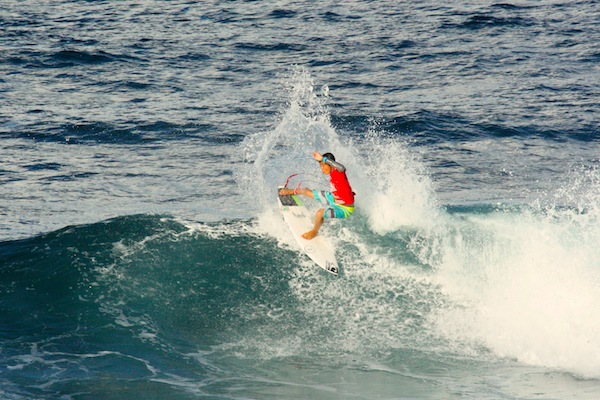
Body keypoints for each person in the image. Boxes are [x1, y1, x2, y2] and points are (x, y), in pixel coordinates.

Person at [279, 151, 355, 240]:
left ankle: (315, 231)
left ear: (330, 164)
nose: (322, 169)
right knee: (306, 191)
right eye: (321, 166)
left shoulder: (338, 172)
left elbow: (341, 167)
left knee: (319, 213)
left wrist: (323, 159)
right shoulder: (333, 173)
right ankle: (291, 191)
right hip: (334, 199)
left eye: (323, 165)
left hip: (344, 208)